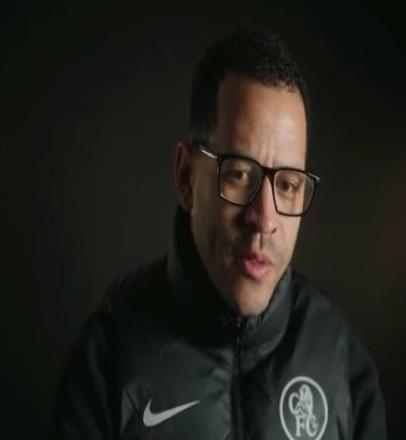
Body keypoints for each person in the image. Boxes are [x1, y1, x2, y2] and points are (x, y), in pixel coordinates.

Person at [48, 29, 386, 440]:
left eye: (287, 185)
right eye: (240, 175)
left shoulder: (339, 356)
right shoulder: (109, 357)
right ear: (186, 177)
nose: (264, 219)